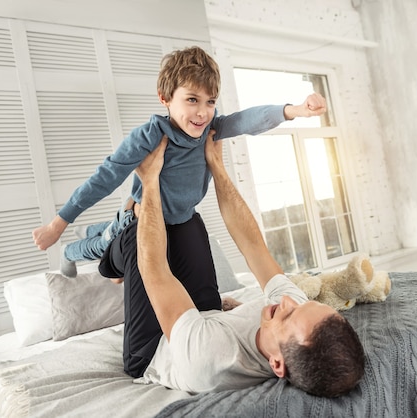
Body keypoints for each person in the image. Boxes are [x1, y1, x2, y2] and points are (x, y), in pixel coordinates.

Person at [98, 131, 365, 397]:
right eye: (303, 304)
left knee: (137, 232)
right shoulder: (295, 314)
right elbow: (254, 247)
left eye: (288, 315)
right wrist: (216, 164)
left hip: (153, 349)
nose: (287, 302)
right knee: (187, 222)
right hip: (207, 320)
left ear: (277, 364)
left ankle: (111, 264)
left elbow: (156, 272)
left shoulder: (209, 357)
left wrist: (149, 181)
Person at [31, 46, 326, 278]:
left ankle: (94, 227)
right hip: (140, 219)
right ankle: (71, 250)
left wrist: (296, 110)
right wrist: (58, 224)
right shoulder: (150, 136)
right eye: (192, 100)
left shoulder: (211, 129)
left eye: (210, 101)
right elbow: (104, 178)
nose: (203, 112)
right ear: (165, 98)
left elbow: (248, 119)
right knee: (105, 249)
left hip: (177, 221)